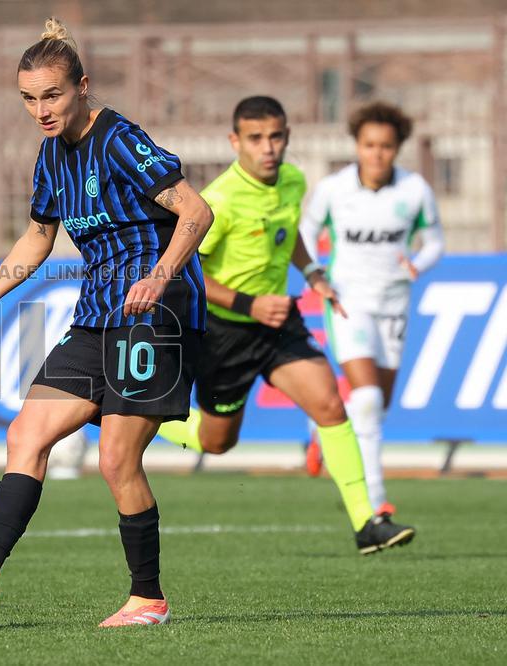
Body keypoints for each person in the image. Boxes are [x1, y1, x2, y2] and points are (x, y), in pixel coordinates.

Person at [0, 18, 212, 626]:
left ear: (82, 86)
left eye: (51, 95)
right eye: (29, 99)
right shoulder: (50, 155)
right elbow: (37, 239)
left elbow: (196, 210)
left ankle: (148, 599)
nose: (40, 110)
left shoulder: (119, 140)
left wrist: (161, 273)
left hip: (156, 311)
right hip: (97, 314)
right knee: (25, 437)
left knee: (116, 459)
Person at [155, 96, 416, 555]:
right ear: (236, 141)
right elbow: (184, 271)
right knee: (216, 442)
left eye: (276, 136)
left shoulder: (294, 181)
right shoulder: (218, 201)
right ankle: (149, 415)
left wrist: (313, 273)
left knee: (330, 405)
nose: (268, 147)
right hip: (225, 332)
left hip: (279, 322)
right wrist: (248, 304)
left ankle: (367, 521)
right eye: (255, 138)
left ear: (287, 137)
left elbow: (289, 230)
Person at [300, 102, 444, 515]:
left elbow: (434, 240)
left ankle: (320, 430)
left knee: (379, 403)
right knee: (365, 398)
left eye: (385, 146)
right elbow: (306, 232)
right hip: (348, 301)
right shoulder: (334, 189)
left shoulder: (415, 190)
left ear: (397, 148)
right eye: (369, 145)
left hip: (394, 303)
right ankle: (375, 500)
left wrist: (418, 262)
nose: (377, 154)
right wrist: (316, 274)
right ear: (357, 146)